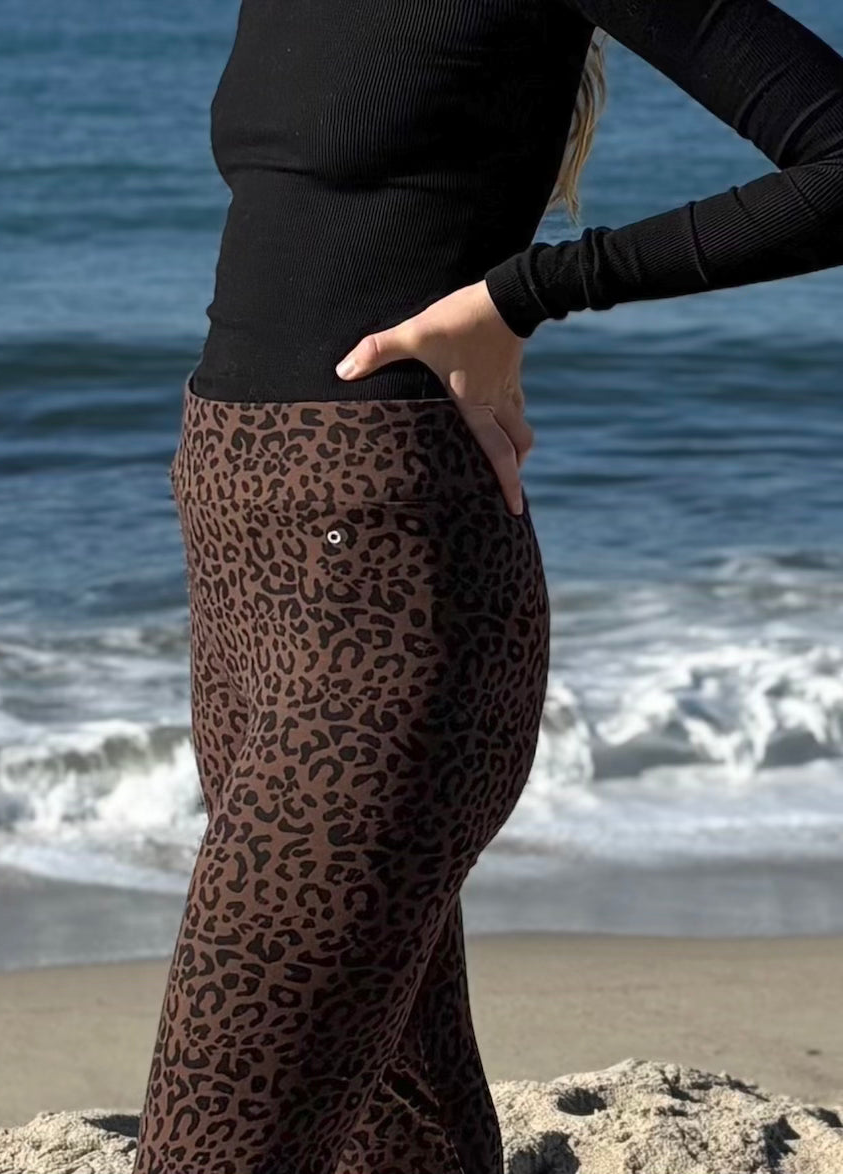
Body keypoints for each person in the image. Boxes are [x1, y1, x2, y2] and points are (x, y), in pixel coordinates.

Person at [132, 0, 843, 1169]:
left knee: (217, 1140)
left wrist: (521, 296)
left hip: (389, 585)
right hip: (243, 569)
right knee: (393, 1127)